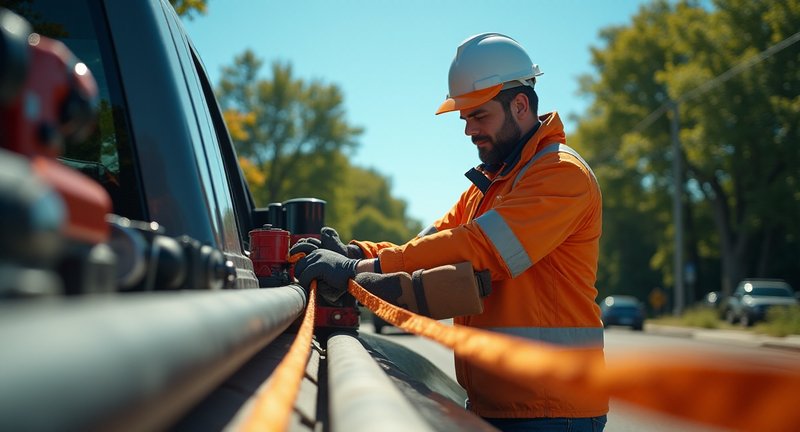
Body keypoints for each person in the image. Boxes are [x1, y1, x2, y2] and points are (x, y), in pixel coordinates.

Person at [293, 33, 608, 432]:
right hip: (503, 407)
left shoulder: (561, 175)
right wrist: (356, 252)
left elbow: (479, 248)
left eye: (479, 116)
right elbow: (425, 246)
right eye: (465, 119)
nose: (469, 131)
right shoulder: (490, 188)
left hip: (553, 412)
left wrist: (360, 267)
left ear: (521, 105)